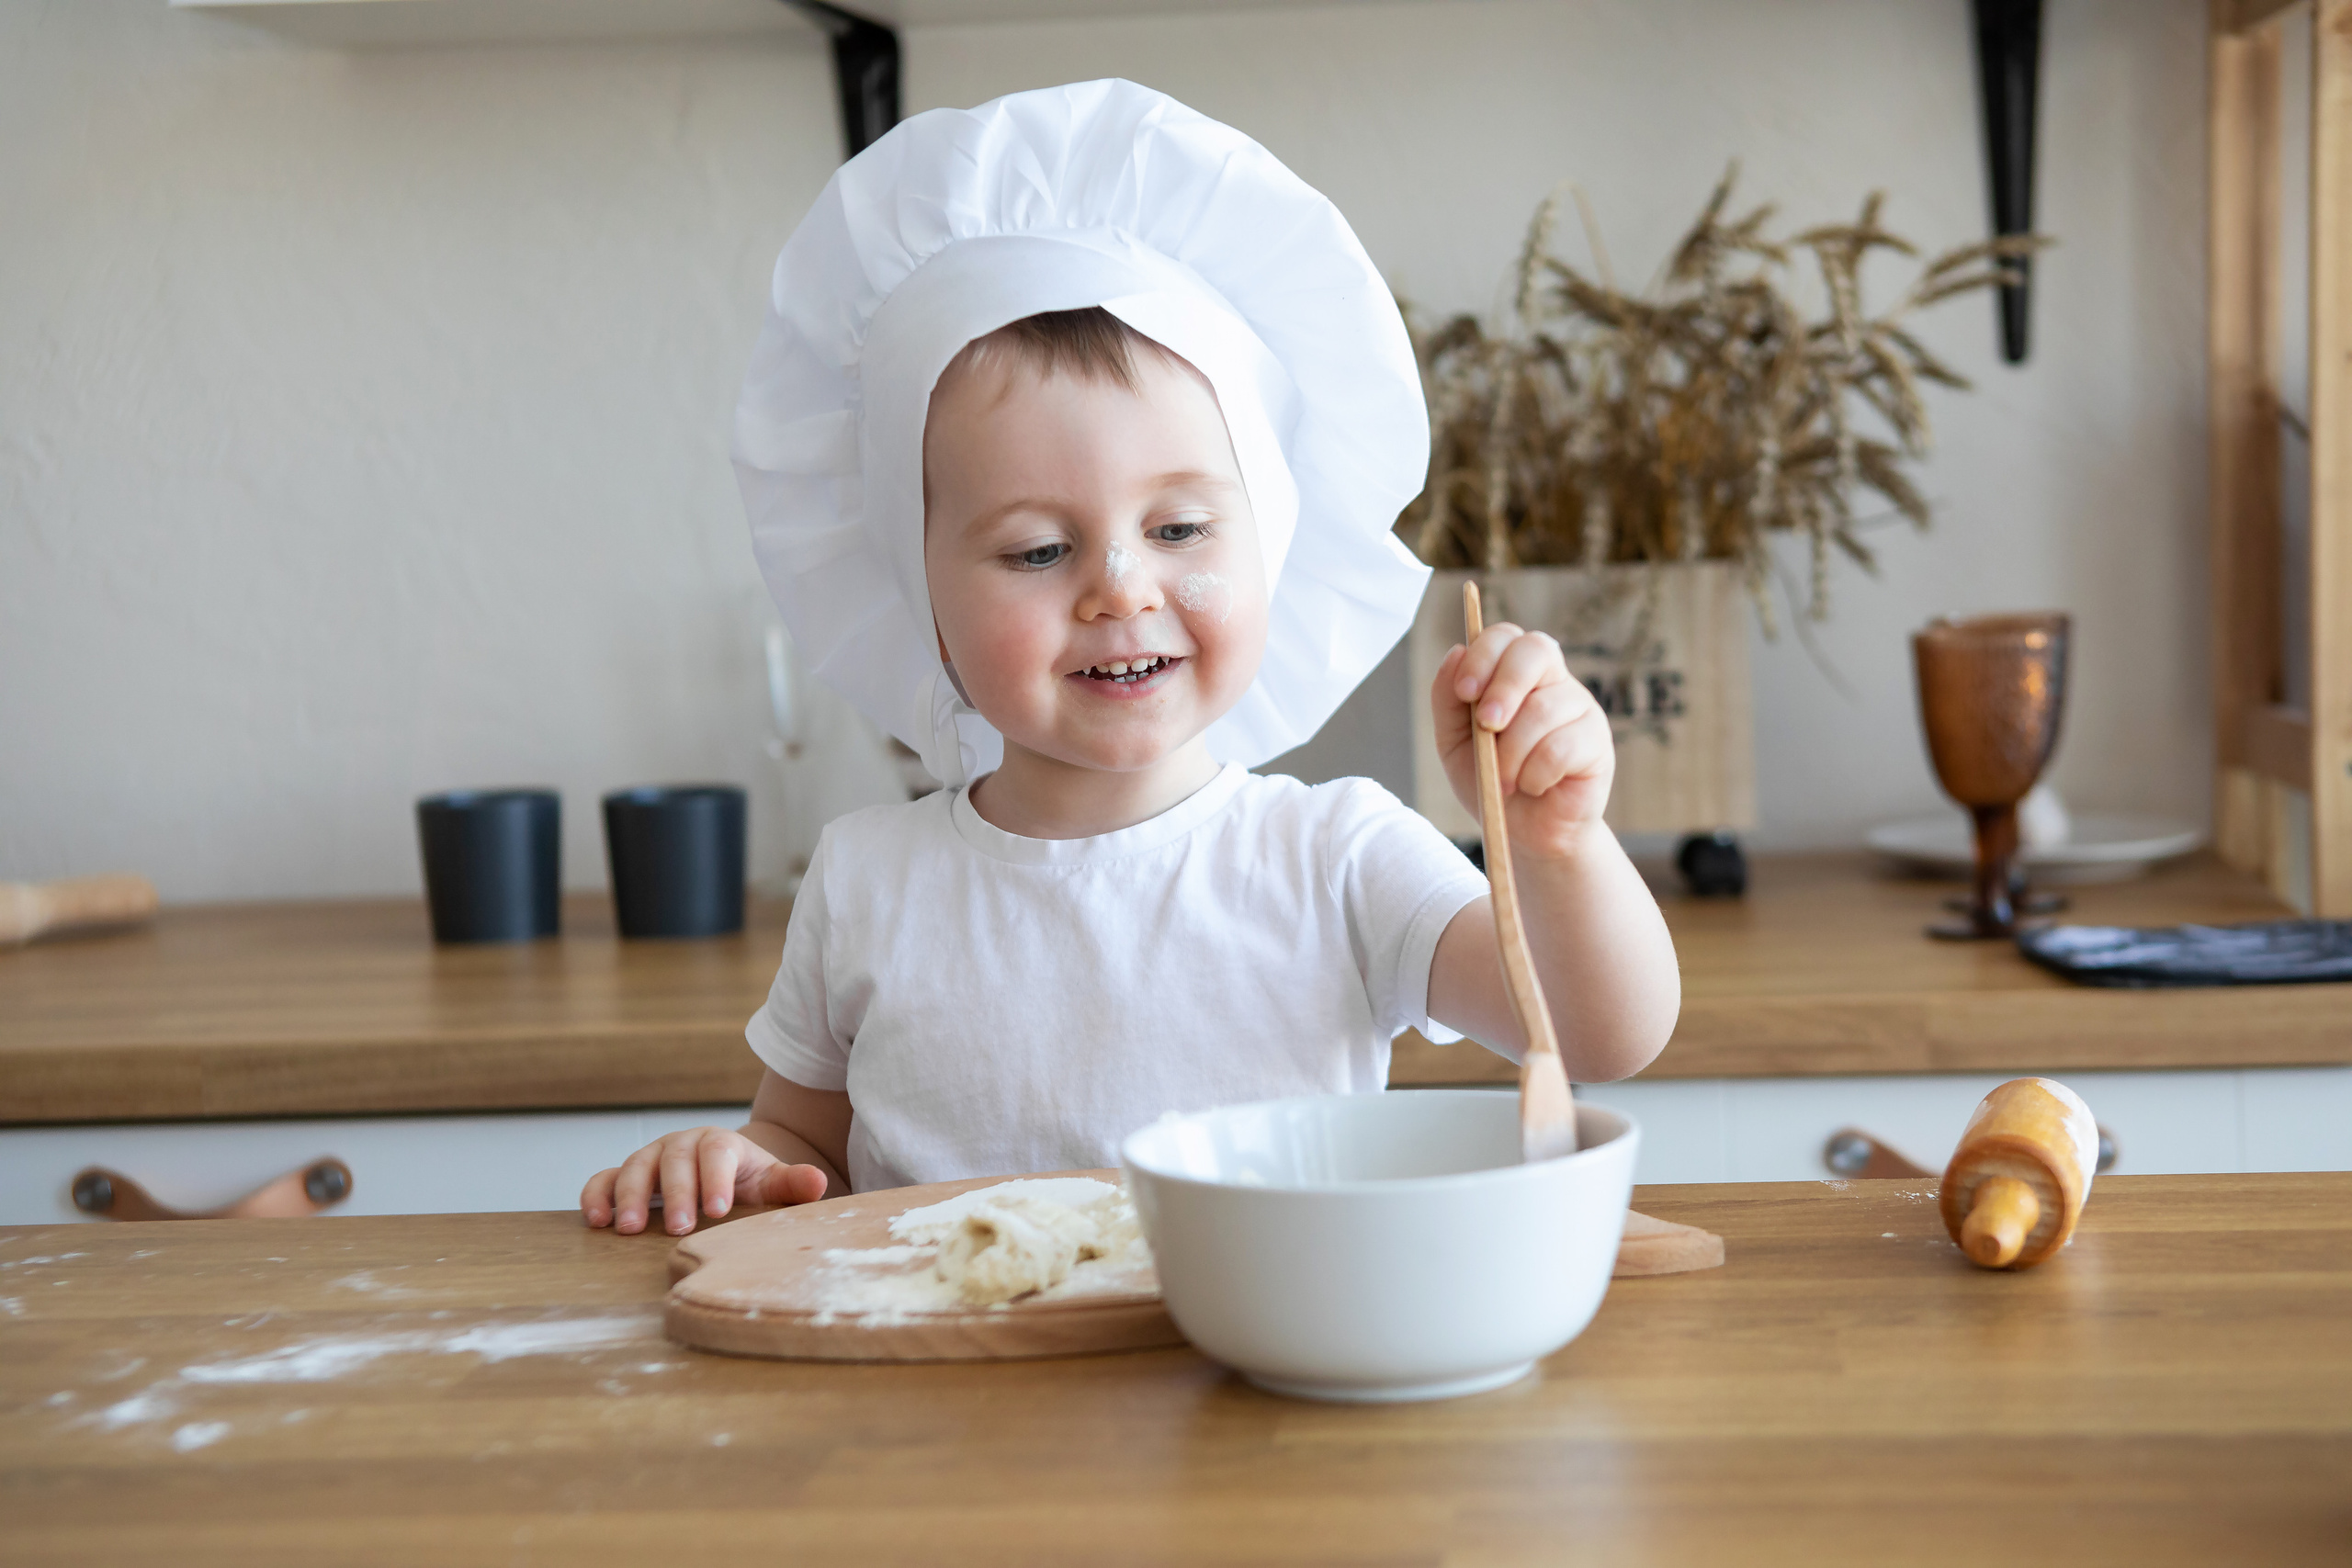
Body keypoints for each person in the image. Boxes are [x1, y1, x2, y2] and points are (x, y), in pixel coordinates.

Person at [581, 81, 1679, 1236]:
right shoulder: (865, 882)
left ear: (1272, 546)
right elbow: (802, 1148)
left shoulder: (1335, 859)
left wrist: (1557, 845)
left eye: (1180, 530)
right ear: (921, 599)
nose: (1119, 587)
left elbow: (1600, 1036)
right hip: (961, 1394)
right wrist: (734, 1166)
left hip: (1260, 1389)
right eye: (1039, 548)